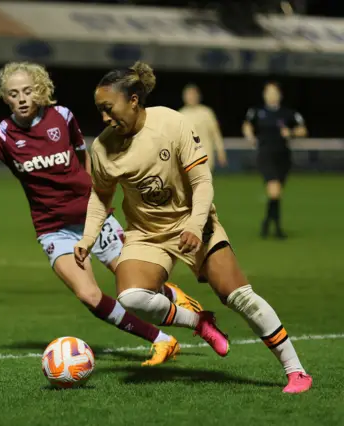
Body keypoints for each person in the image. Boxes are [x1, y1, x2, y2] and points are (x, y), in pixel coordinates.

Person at [0, 61, 204, 367]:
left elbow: (83, 157)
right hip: (53, 228)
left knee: (135, 284)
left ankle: (170, 295)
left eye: (27, 91)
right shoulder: (2, 134)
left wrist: (99, 199)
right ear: (5, 98)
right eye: (13, 94)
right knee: (89, 295)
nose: (22, 98)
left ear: (39, 90)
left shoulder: (61, 116)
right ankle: (162, 341)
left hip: (94, 218)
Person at [75, 61, 312, 393]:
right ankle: (199, 321)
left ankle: (296, 371)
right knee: (131, 297)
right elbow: (100, 197)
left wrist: (195, 223)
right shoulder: (102, 148)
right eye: (99, 110)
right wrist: (88, 238)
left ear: (133, 100)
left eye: (108, 108)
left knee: (241, 297)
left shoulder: (172, 123)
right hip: (147, 233)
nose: (104, 117)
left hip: (195, 223)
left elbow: (202, 182)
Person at [242, 82, 307, 239]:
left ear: (280, 95)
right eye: (268, 92)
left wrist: (291, 132)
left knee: (276, 193)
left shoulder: (288, 113)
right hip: (265, 155)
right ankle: (277, 229)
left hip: (283, 156)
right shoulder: (257, 112)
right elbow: (247, 125)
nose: (271, 95)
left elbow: (303, 130)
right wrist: (250, 137)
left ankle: (266, 222)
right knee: (274, 189)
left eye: (274, 92)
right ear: (264, 95)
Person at [179, 84, 227, 171]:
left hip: (205, 155)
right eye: (188, 94)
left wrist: (221, 152)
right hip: (187, 157)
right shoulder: (180, 114)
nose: (191, 97)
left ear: (198, 96)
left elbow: (215, 133)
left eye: (193, 94)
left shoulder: (207, 113)